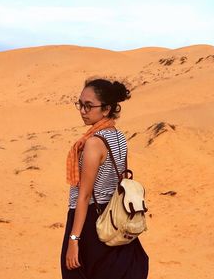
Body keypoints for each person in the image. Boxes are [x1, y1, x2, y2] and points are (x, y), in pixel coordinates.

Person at [61, 79, 149, 279]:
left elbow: (83, 196)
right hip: (114, 218)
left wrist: (74, 240)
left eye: (89, 106)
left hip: (91, 223)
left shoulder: (93, 143)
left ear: (107, 109)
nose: (83, 111)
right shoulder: (118, 136)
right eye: (80, 104)